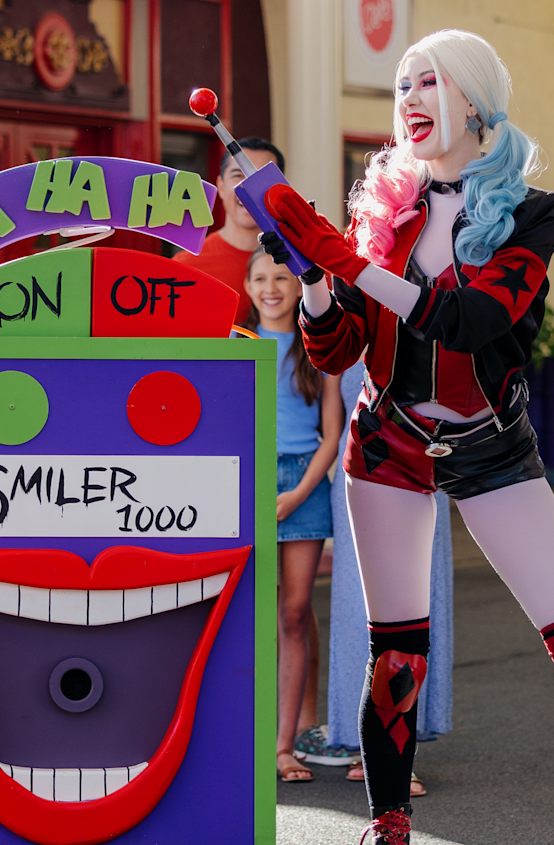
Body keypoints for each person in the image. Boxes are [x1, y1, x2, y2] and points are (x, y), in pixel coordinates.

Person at [265, 29, 554, 845]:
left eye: (428, 81)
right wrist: (318, 280)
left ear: (474, 97)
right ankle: (387, 826)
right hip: (387, 442)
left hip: (493, 446)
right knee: (396, 661)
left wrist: (347, 265)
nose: (410, 98)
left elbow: (475, 320)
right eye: (401, 86)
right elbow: (337, 350)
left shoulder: (530, 213)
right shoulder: (381, 211)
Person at [326, 360, 453, 799]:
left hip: (423, 480)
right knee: (355, 617)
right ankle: (364, 748)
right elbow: (330, 427)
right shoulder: (341, 332)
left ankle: (405, 756)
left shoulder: (429, 323)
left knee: (414, 624)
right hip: (356, 483)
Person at [242, 250, 343, 783]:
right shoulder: (236, 344)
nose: (272, 287)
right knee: (250, 615)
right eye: (260, 278)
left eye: (281, 276)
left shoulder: (316, 348)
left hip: (305, 483)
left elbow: (332, 433)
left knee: (295, 611)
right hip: (250, 480)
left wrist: (301, 491)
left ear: (298, 285)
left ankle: (285, 747)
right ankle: (251, 734)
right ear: (248, 285)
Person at [174, 136, 284, 323]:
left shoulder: (304, 265)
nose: (249, 186)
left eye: (260, 176)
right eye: (238, 175)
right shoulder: (186, 268)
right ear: (221, 186)